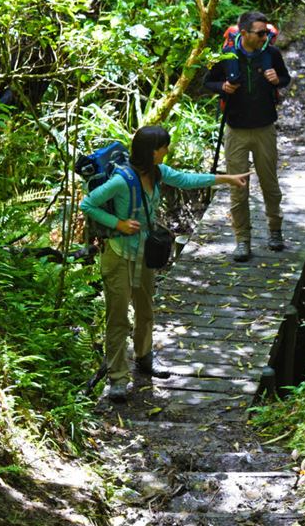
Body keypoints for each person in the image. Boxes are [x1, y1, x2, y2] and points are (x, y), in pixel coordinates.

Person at [80, 126, 249, 403]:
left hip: (144, 255)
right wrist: (118, 223)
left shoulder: (158, 173)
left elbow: (187, 180)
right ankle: (118, 379)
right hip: (119, 256)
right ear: (151, 151)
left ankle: (144, 357)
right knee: (119, 318)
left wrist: (228, 179)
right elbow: (88, 204)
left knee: (146, 310)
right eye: (164, 147)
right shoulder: (121, 181)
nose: (167, 151)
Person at [204, 10, 292, 262]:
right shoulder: (227, 56)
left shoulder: (271, 54)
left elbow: (285, 78)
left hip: (265, 128)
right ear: (244, 33)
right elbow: (207, 82)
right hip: (236, 131)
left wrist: (278, 80)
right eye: (260, 33)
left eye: (267, 32)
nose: (265, 36)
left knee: (270, 184)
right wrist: (222, 87)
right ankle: (242, 240)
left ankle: (275, 231)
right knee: (237, 188)